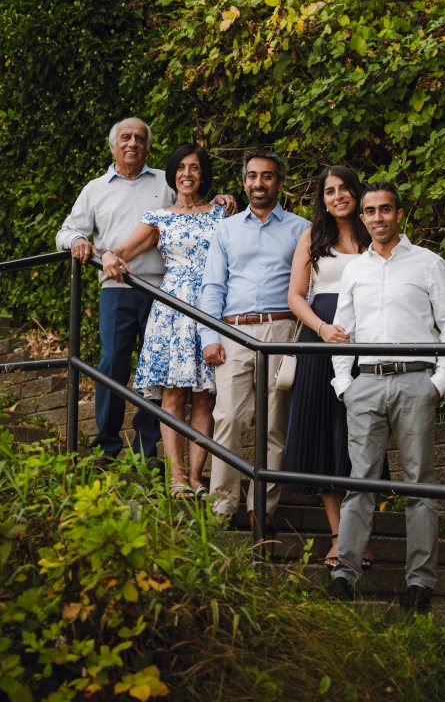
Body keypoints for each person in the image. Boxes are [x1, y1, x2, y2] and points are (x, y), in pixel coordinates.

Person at [56, 118, 236, 466]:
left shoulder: (164, 182)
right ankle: (106, 447)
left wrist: (221, 199)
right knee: (112, 365)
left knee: (157, 370)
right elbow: (68, 231)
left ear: (147, 146)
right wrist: (80, 241)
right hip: (117, 286)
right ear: (113, 144)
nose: (133, 143)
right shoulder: (95, 188)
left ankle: (146, 448)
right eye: (126, 137)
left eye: (140, 138)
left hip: (163, 291)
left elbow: (192, 207)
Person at [328, 181, 445, 609]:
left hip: (415, 381)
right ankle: (344, 574)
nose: (378, 218)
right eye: (370, 211)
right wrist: (344, 384)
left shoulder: (428, 263)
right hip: (365, 383)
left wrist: (440, 381)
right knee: (359, 482)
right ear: (363, 217)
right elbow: (341, 332)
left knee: (420, 483)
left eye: (385, 209)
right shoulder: (355, 270)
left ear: (398, 214)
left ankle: (420, 582)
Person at [101, 144, 226, 497]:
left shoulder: (221, 213)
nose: (188, 174)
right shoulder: (159, 217)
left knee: (205, 398)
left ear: (204, 175)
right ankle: (176, 477)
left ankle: (198, 478)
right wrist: (109, 255)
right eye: (182, 168)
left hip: (211, 307)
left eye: (195, 168)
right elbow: (121, 252)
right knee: (173, 394)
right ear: (172, 174)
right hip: (172, 310)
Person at [284, 166, 390, 568]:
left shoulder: (372, 234)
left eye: (345, 188)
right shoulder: (313, 237)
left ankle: (360, 535)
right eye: (329, 191)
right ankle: (337, 538)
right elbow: (295, 296)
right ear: (322, 199)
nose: (338, 196)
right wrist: (322, 328)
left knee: (360, 434)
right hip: (323, 338)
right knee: (325, 434)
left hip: (368, 341)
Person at [199, 149, 310, 529]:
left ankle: (261, 508)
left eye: (266, 176)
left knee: (274, 424)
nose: (257, 183)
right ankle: (222, 507)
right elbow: (212, 286)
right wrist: (209, 336)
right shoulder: (226, 229)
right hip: (232, 331)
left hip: (281, 330)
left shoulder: (301, 228)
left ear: (279, 182)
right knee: (228, 417)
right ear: (244, 181)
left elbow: (309, 288)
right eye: (251, 176)